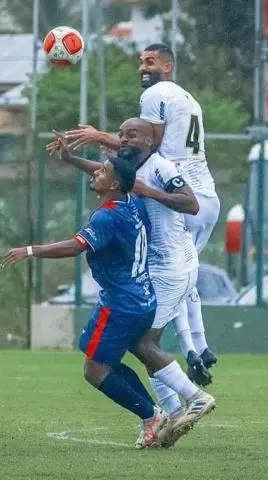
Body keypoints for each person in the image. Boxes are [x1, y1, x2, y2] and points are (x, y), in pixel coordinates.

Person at [47, 119, 216, 448]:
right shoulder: (128, 167)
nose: (123, 139)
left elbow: (191, 203)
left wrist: (148, 191)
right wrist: (70, 160)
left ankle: (192, 399)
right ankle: (168, 416)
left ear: (150, 141)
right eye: (121, 134)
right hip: (156, 266)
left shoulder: (162, 166)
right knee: (138, 342)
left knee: (141, 342)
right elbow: (107, 173)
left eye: (132, 134)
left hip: (171, 266)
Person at [64, 43, 220, 379]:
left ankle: (188, 362)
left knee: (165, 274)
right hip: (206, 196)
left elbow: (145, 142)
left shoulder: (156, 94)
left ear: (168, 66)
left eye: (150, 62)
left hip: (179, 194)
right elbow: (144, 144)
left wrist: (97, 136)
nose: (142, 68)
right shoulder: (188, 97)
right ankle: (198, 348)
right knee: (182, 275)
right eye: (141, 62)